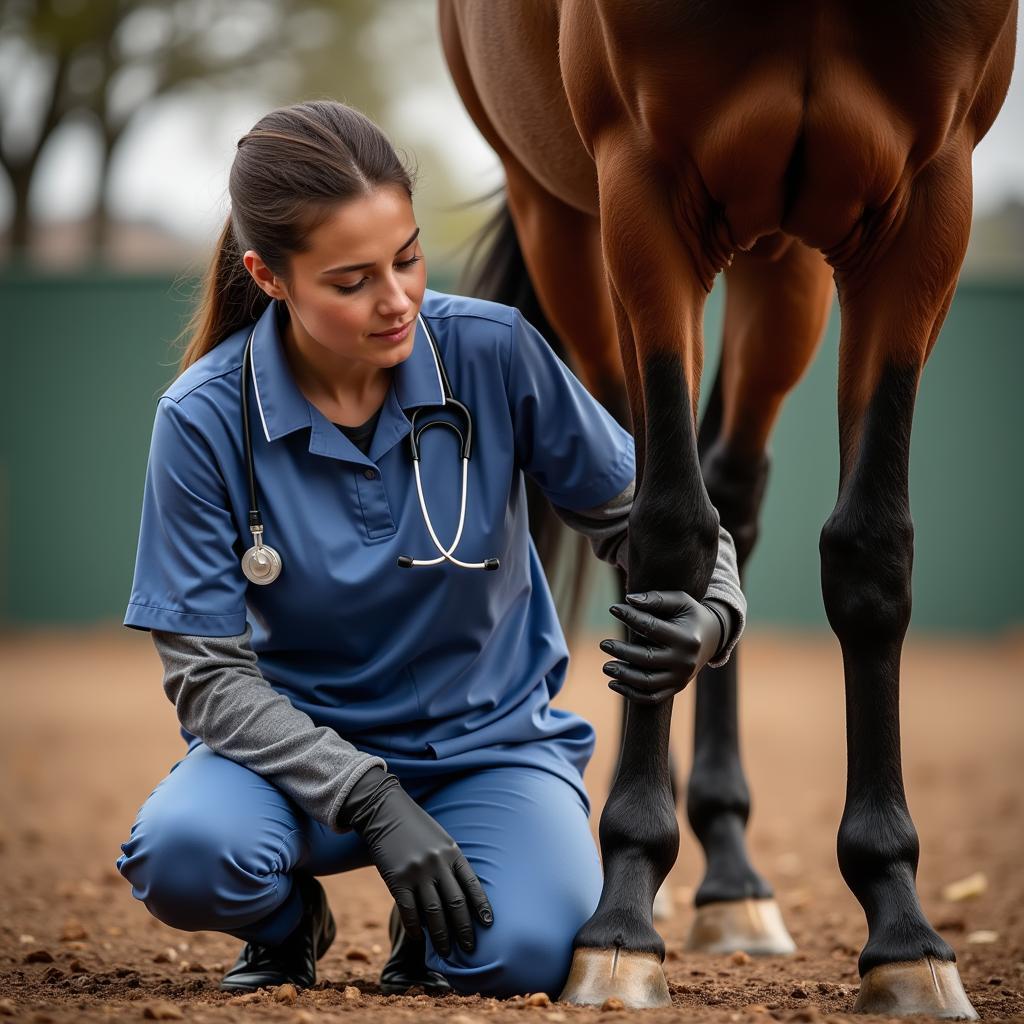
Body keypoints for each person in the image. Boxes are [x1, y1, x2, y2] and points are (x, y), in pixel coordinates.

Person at [115, 100, 746, 1000]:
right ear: (269, 276)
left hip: (487, 749)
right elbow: (207, 677)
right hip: (298, 758)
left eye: (407, 257)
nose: (397, 297)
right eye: (352, 280)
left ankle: (437, 917)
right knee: (186, 856)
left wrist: (714, 614)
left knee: (520, 953)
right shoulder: (203, 417)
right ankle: (290, 923)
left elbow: (668, 523)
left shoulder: (494, 352)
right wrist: (370, 798)